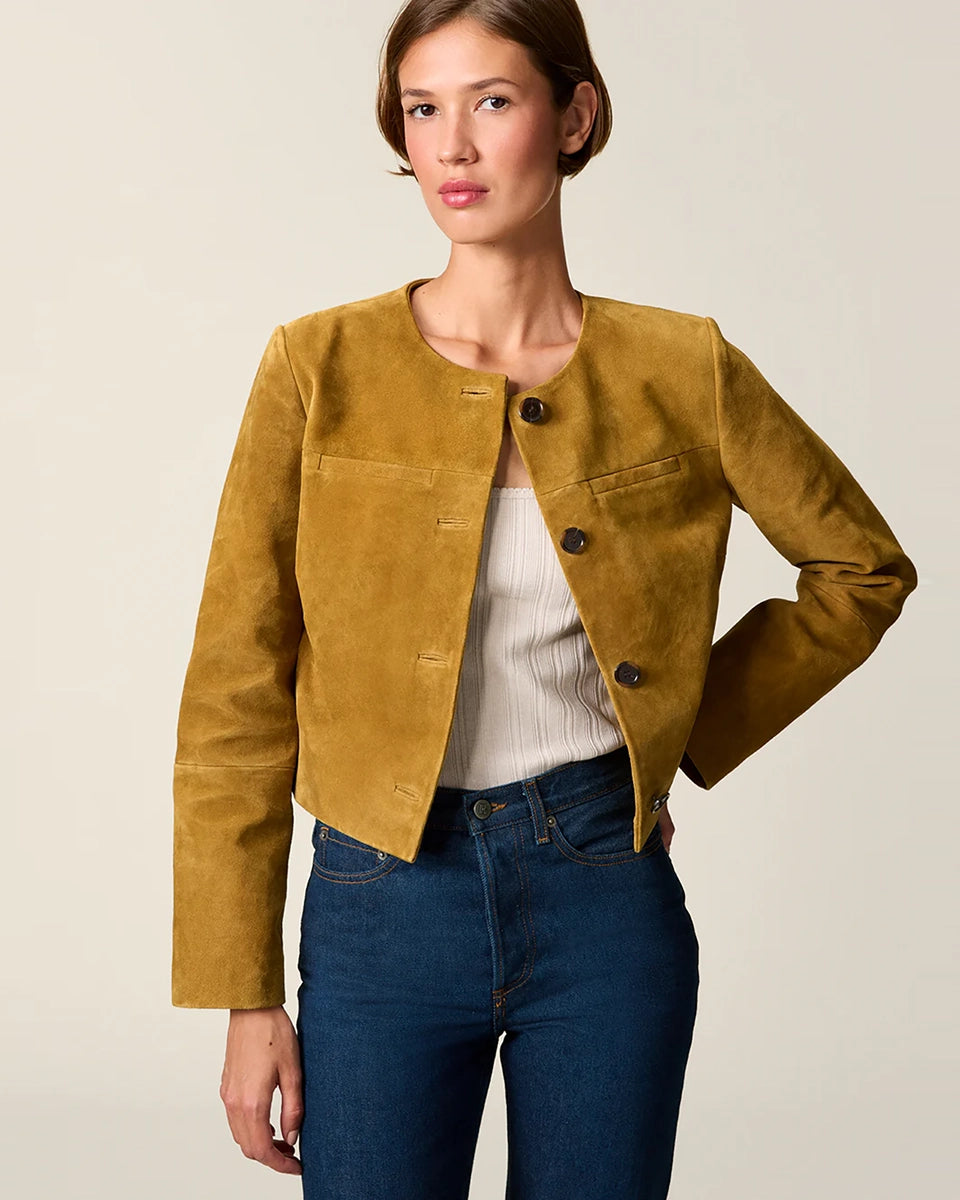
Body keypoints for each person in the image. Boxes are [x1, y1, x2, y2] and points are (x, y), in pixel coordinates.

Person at [170, 2, 917, 1197]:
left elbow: (861, 569)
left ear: (574, 116)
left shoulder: (681, 367)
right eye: (423, 108)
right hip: (378, 902)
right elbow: (235, 689)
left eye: (493, 101)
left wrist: (671, 738)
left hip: (603, 897)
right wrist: (243, 992)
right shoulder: (319, 366)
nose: (452, 145)